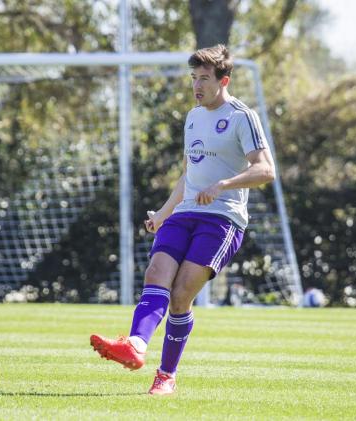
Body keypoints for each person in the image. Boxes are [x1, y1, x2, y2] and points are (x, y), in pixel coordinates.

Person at [90, 44, 276, 395]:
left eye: (204, 79)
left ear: (224, 80)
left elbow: (266, 170)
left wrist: (223, 185)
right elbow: (189, 173)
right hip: (185, 213)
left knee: (180, 296)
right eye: (193, 78)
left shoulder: (242, 116)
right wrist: (163, 213)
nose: (197, 86)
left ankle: (166, 376)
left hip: (222, 220)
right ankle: (135, 346)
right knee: (155, 274)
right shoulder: (192, 117)